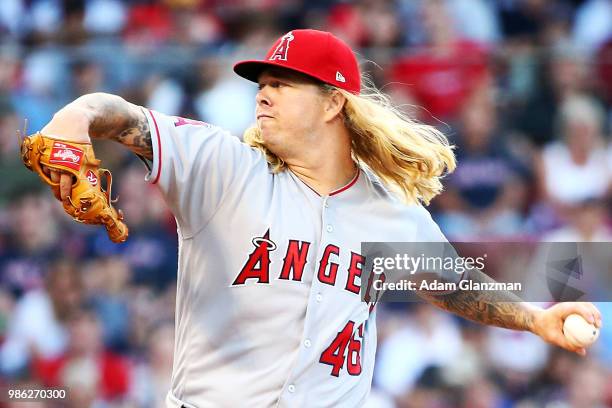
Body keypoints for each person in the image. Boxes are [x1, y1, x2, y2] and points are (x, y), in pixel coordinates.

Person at [36, 29, 601, 408]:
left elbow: (456, 287)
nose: (264, 95)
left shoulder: (391, 214)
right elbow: (117, 114)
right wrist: (75, 117)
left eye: (283, 84)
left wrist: (535, 319)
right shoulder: (224, 166)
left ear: (334, 102)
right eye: (262, 85)